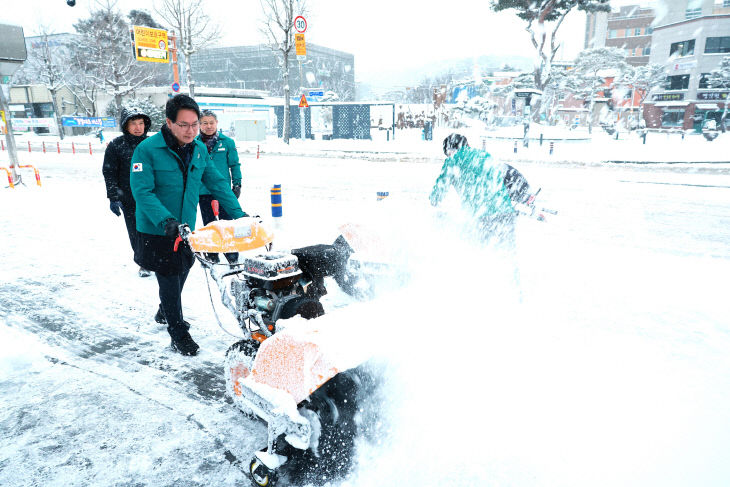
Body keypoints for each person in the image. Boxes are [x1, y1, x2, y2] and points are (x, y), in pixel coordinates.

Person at [130, 94, 247, 356]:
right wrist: (165, 220)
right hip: (157, 229)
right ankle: (178, 331)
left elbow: (217, 183)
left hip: (185, 227)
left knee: (183, 268)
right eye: (184, 125)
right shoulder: (147, 150)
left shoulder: (199, 149)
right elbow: (143, 192)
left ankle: (165, 309)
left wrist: (239, 215)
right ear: (169, 122)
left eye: (195, 124)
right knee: (170, 277)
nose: (191, 130)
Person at [429, 133, 530, 247]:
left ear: (450, 150)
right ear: (467, 145)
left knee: (484, 254)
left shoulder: (452, 161)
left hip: (483, 216)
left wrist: (434, 200)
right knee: (507, 253)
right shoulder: (485, 156)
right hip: (506, 213)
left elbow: (439, 191)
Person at [102, 107, 152, 277]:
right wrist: (113, 197)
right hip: (129, 198)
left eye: (141, 123)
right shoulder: (117, 145)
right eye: (133, 124)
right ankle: (143, 263)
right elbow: (109, 172)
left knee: (154, 230)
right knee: (136, 231)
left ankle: (155, 259)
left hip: (153, 197)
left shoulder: (153, 144)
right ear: (125, 125)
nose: (138, 127)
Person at [197, 109, 242, 225]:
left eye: (211, 122)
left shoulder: (227, 142)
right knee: (209, 226)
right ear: (199, 124)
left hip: (223, 190)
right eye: (205, 123)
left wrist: (237, 184)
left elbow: (234, 165)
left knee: (227, 224)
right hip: (203, 191)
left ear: (216, 122)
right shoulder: (194, 143)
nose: (209, 126)